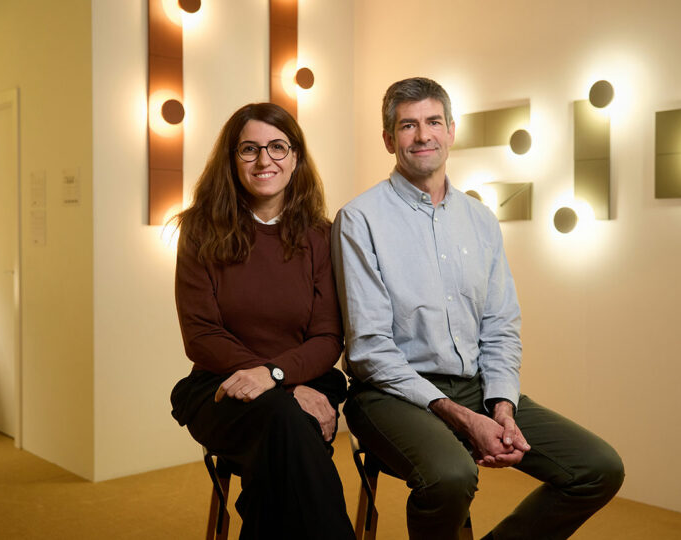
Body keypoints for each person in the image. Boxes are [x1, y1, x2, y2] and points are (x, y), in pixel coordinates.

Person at [332, 77, 625, 540]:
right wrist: (464, 418)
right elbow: (369, 349)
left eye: (433, 121)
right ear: (389, 139)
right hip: (388, 396)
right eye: (408, 125)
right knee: (451, 476)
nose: (423, 135)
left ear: (451, 130)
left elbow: (500, 326)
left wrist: (502, 407)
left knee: (599, 468)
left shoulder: (480, 219)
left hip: (476, 386)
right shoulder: (359, 219)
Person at [169, 102, 355, 539]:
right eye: (249, 149)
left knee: (277, 453)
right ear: (231, 161)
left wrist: (276, 376)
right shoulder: (199, 229)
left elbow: (328, 336)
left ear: (295, 158)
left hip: (303, 380)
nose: (264, 160)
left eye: (277, 146)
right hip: (222, 386)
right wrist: (279, 383)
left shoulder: (321, 236)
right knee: (286, 423)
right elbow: (200, 336)